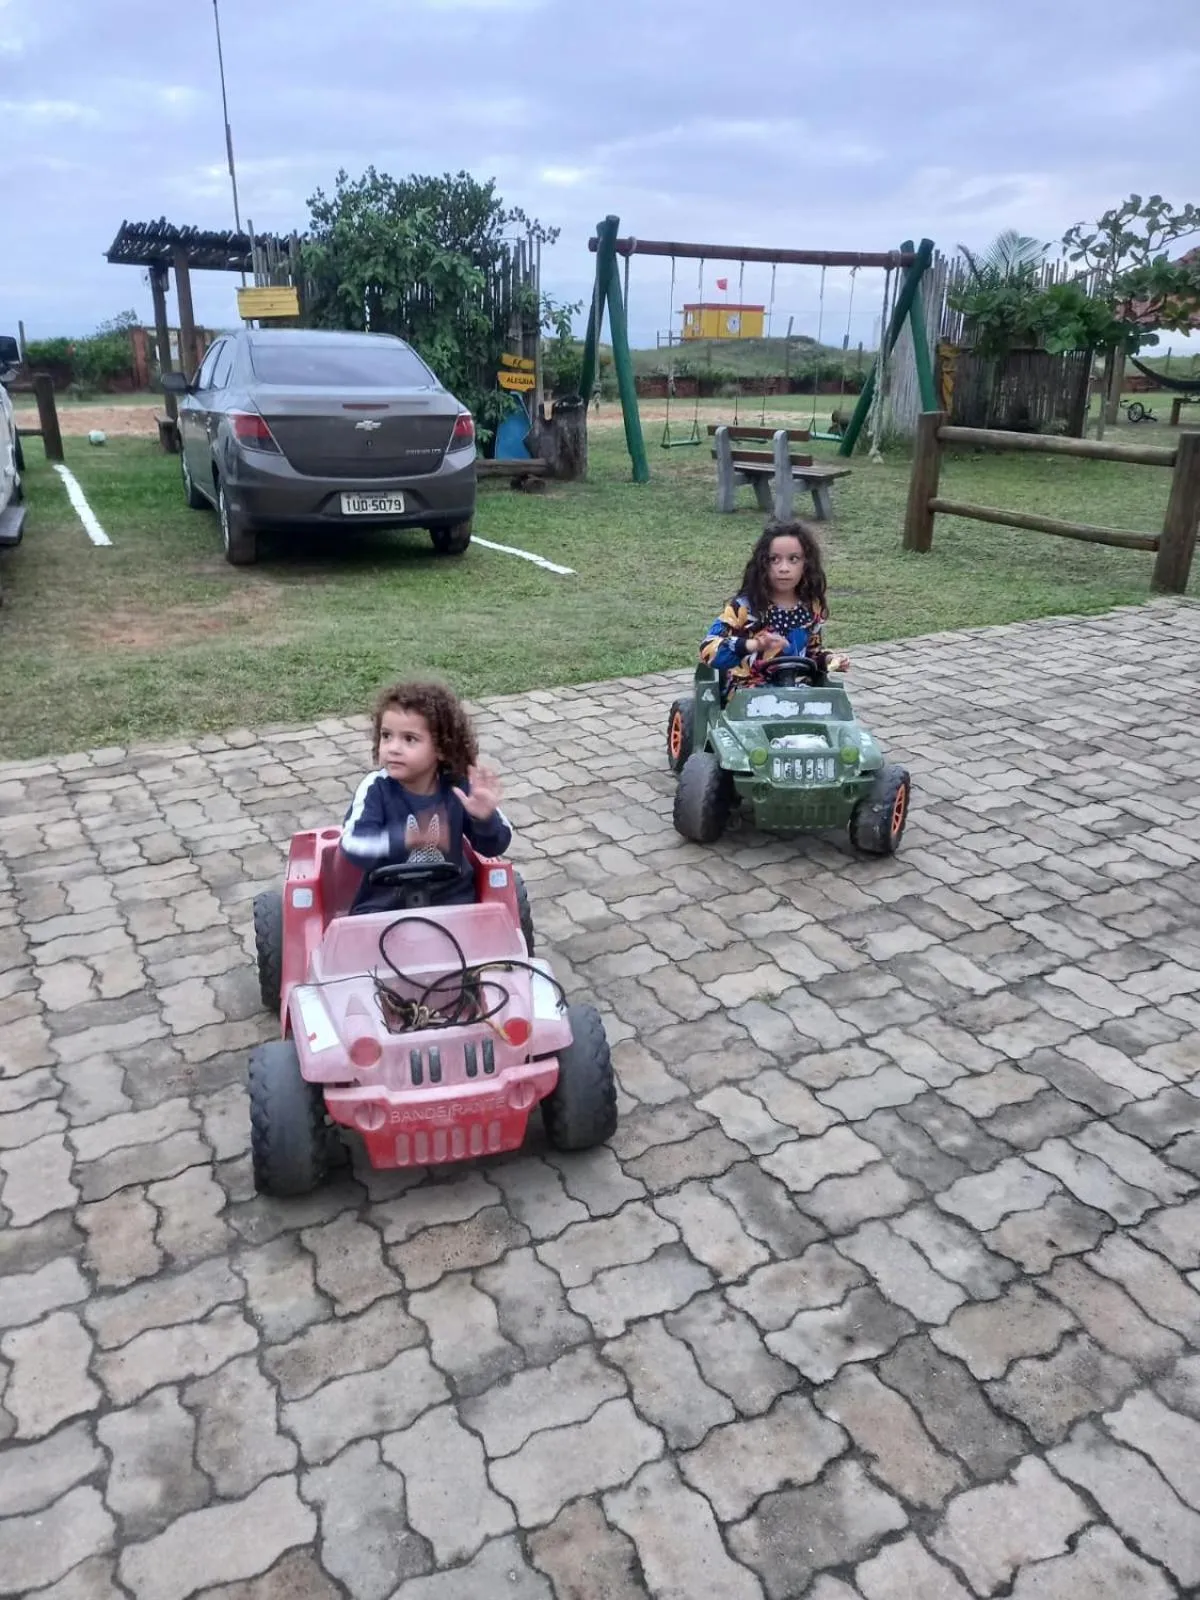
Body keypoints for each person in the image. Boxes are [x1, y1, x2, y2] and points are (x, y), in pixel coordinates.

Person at [341, 681, 512, 913]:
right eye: (387, 735)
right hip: (384, 907)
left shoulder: (459, 786)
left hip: (453, 903)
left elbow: (494, 846)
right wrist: (401, 840)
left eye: (409, 739)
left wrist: (484, 818)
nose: (393, 748)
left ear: (441, 748)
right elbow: (352, 846)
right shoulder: (375, 789)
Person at [700, 518, 848, 691]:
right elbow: (707, 648)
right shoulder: (743, 607)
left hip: (796, 692)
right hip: (747, 696)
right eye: (774, 559)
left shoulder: (811, 608)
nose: (784, 568)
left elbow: (812, 652)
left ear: (806, 564)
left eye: (793, 559)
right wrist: (752, 645)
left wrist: (830, 660)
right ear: (763, 564)